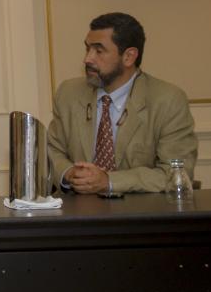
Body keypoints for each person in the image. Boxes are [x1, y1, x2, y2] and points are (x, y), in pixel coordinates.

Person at [48, 12, 197, 194]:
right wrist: (68, 173)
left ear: (129, 56)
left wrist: (109, 181)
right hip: (78, 213)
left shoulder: (168, 100)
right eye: (87, 49)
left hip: (140, 215)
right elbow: (52, 151)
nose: (87, 59)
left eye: (99, 50)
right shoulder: (68, 93)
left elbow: (175, 173)